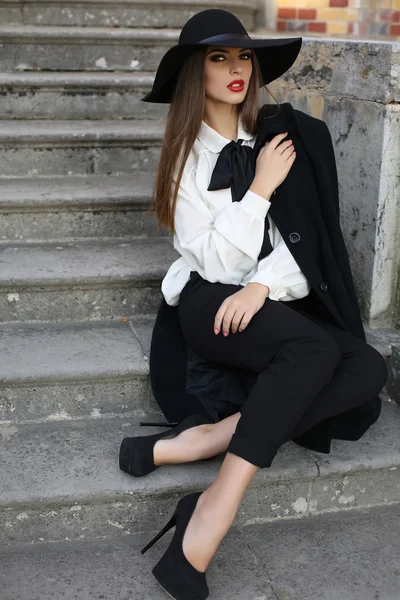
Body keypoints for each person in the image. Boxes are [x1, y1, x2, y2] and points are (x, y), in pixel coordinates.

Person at [118, 9, 388, 599]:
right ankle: (215, 509)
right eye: (219, 58)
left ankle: (205, 441)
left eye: (243, 57)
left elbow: (307, 242)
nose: (237, 69)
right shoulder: (186, 160)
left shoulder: (285, 139)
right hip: (206, 304)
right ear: (196, 73)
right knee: (312, 347)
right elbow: (212, 262)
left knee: (368, 366)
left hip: (262, 299)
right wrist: (260, 188)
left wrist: (263, 285)